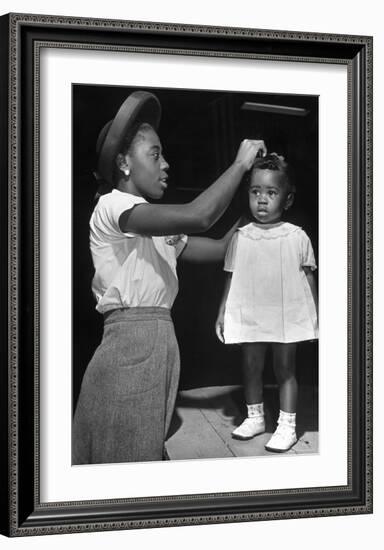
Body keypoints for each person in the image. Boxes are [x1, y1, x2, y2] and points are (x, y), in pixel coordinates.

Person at [72, 90, 266, 464]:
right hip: (130, 346)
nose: (166, 165)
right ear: (124, 164)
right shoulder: (114, 206)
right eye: (155, 154)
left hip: (159, 343)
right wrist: (239, 164)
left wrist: (255, 201)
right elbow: (198, 215)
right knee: (125, 467)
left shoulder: (155, 227)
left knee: (139, 456)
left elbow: (223, 247)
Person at [215, 153, 318, 452]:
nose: (262, 200)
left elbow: (308, 278)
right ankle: (255, 417)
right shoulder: (241, 236)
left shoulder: (297, 236)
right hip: (252, 310)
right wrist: (222, 311)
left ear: (286, 200)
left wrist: (316, 316)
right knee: (251, 365)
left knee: (285, 367)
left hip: (286, 313)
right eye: (255, 192)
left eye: (271, 193)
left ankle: (287, 426)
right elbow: (230, 276)